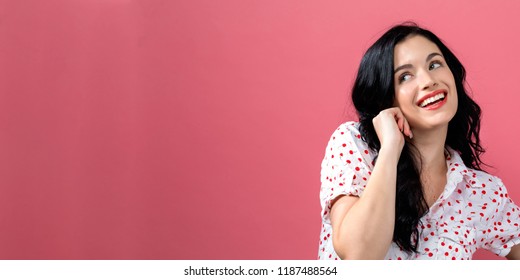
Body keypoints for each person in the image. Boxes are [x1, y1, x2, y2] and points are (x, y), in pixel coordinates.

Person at [318, 22, 520, 260]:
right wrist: (391, 148)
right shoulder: (354, 144)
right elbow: (359, 256)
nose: (427, 80)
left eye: (435, 64)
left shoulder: (480, 191)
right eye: (404, 76)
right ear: (386, 97)